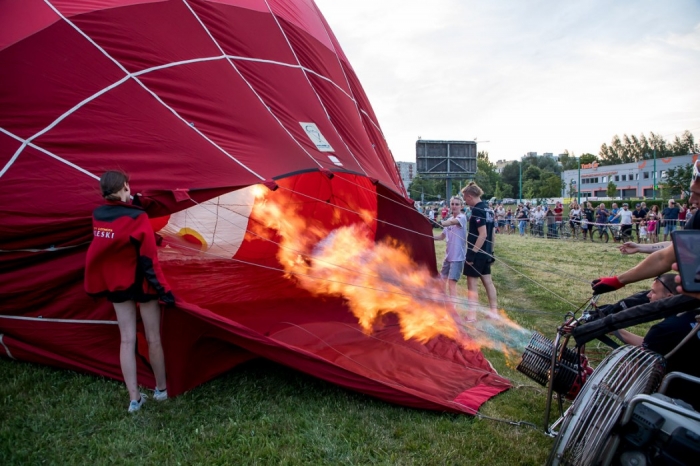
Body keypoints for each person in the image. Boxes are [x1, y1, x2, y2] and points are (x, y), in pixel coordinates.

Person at [85, 170, 175, 413]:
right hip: (142, 285)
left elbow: (117, 239)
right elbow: (149, 260)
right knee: (153, 337)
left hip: (115, 285)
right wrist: (165, 290)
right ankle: (161, 390)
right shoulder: (138, 217)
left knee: (126, 339)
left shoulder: (98, 216)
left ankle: (134, 400)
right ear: (125, 186)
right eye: (128, 188)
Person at [461, 182, 497, 319]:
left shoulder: (477, 210)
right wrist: (491, 251)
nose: (465, 201)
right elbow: (492, 233)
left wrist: (472, 254)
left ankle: (472, 314)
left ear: (470, 196)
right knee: (488, 282)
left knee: (472, 283)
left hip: (477, 252)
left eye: (465, 198)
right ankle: (494, 312)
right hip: (486, 252)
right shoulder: (489, 209)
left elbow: (483, 234)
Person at [434, 196, 467, 303]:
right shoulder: (448, 219)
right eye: (452, 204)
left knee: (452, 283)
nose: (454, 206)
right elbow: (441, 237)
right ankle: (442, 303)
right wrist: (427, 236)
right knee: (442, 281)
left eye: (457, 204)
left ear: (462, 206)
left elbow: (452, 223)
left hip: (457, 258)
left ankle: (453, 307)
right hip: (448, 257)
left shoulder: (462, 217)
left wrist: (437, 223)